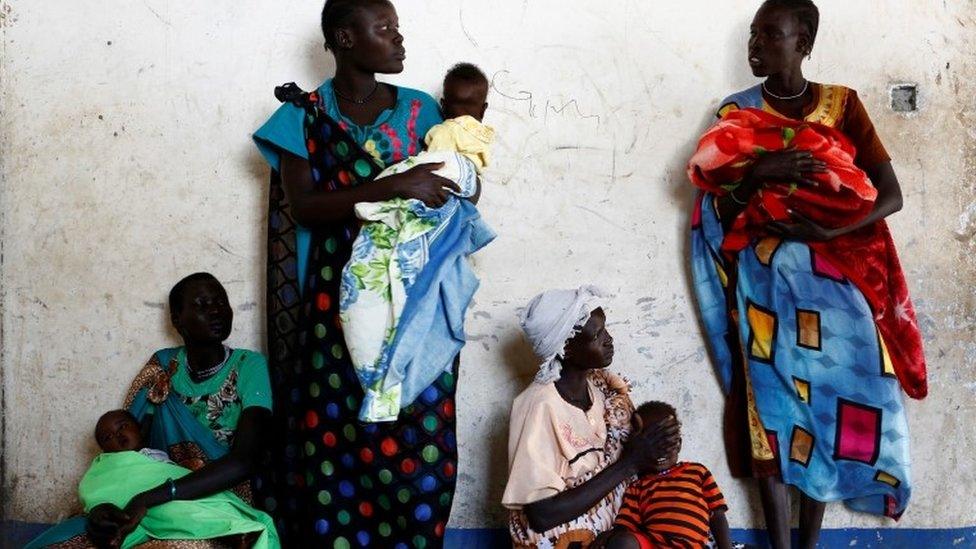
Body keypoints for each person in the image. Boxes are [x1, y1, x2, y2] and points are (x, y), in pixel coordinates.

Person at [688, 1, 924, 547]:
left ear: (804, 42)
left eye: (771, 34)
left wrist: (830, 235)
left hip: (837, 291)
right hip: (764, 292)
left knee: (825, 410)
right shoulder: (735, 112)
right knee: (768, 413)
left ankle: (808, 543)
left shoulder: (843, 106)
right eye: (753, 34)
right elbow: (714, 211)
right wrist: (757, 175)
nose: (757, 45)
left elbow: (890, 195)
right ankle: (779, 543)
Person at [252, 0, 467, 545]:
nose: (399, 39)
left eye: (397, 29)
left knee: (420, 440)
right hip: (334, 306)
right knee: (337, 439)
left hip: (414, 297)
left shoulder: (421, 114)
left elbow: (453, 187)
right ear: (345, 38)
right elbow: (304, 207)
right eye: (385, 29)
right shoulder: (303, 114)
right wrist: (391, 186)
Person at [26, 273, 273, 548]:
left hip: (215, 501)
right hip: (147, 496)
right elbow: (124, 451)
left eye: (221, 302)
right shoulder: (162, 366)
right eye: (202, 304)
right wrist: (103, 506)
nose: (216, 310)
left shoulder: (248, 365)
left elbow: (244, 461)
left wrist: (153, 497)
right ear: (177, 320)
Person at [340, 61, 495, 423]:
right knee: (366, 293)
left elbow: (459, 177)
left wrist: (409, 179)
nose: (462, 114)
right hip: (418, 192)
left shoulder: (469, 136)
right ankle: (382, 387)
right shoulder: (443, 128)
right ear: (443, 104)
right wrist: (402, 182)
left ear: (483, 110)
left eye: (470, 106)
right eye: (454, 105)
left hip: (442, 190)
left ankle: (389, 389)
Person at [502, 286, 679, 548]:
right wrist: (630, 463)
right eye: (597, 335)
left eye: (605, 329)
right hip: (563, 539)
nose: (609, 339)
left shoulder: (603, 389)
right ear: (567, 349)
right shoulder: (538, 406)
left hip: (615, 533)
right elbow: (542, 515)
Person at [596, 402, 730, 549]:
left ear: (679, 444)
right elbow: (626, 524)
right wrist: (611, 537)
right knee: (623, 542)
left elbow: (717, 514)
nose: (661, 450)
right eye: (654, 443)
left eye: (667, 442)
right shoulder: (638, 487)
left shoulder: (698, 472)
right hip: (654, 545)